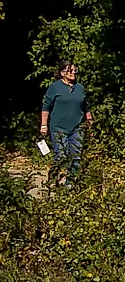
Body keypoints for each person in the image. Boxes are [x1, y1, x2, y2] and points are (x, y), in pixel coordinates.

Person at [42, 60, 91, 188]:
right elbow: (46, 107)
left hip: (77, 128)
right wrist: (44, 125)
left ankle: (70, 184)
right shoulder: (55, 87)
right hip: (58, 127)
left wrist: (90, 122)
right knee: (61, 156)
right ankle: (53, 179)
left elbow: (86, 107)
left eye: (75, 70)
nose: (74, 73)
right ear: (63, 73)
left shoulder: (80, 88)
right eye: (71, 70)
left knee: (75, 157)